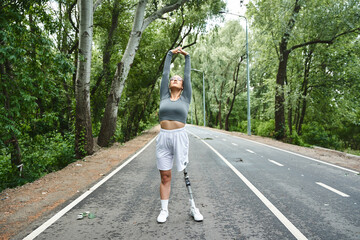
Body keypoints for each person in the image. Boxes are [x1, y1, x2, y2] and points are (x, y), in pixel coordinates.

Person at [156, 47, 203, 223]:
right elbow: (165, 72)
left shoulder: (185, 98)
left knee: (185, 173)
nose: (175, 79)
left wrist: (187, 57)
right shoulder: (163, 96)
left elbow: (188, 75)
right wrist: (170, 53)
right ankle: (164, 210)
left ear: (182, 86)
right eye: (173, 79)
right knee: (165, 176)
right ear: (169, 84)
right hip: (163, 138)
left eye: (179, 79)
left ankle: (193, 207)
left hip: (180, 136)